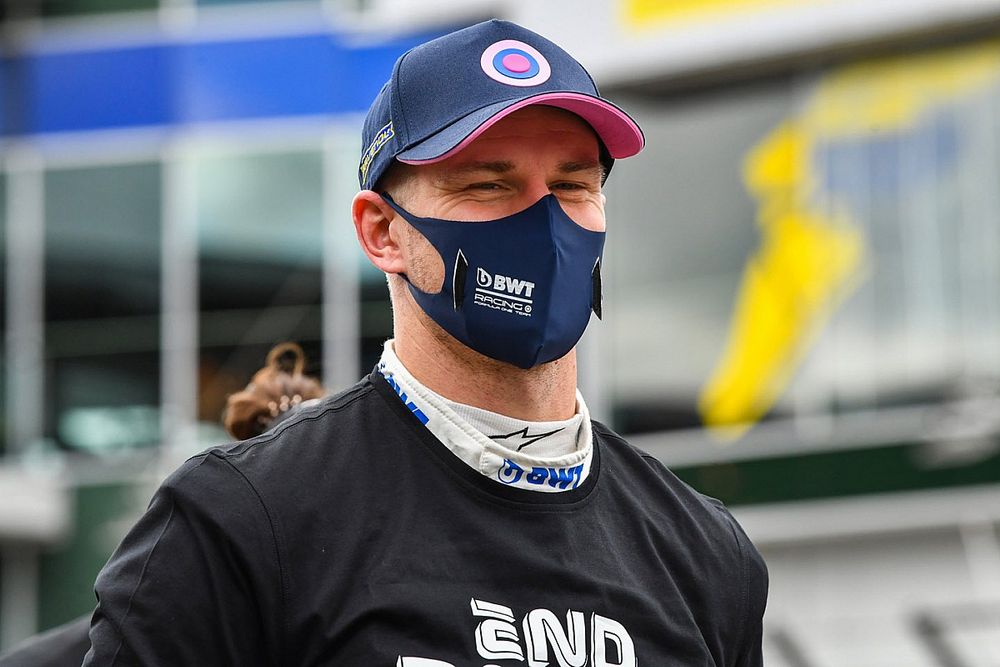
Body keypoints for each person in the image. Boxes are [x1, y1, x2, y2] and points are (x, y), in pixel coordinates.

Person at [84, 19, 767, 666]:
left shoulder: (704, 552)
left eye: (571, 184)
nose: (545, 221)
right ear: (383, 232)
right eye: (489, 185)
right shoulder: (239, 521)